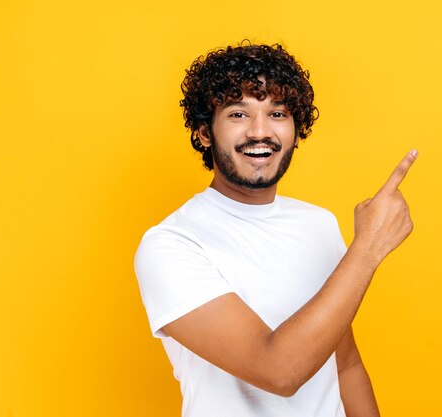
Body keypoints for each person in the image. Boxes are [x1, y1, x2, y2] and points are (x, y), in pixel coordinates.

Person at [134, 42, 417, 417]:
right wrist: (367, 249)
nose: (260, 131)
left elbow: (344, 365)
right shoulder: (171, 245)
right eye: (238, 113)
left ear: (296, 131)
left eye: (277, 113)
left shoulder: (318, 224)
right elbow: (278, 371)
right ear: (204, 133)